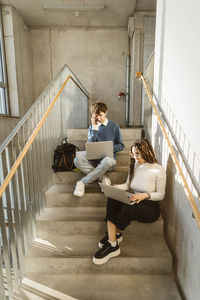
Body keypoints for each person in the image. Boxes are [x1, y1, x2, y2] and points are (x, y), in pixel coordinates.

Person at [93, 138, 166, 265]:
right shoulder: (135, 166)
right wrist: (116, 188)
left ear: (146, 151)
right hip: (134, 200)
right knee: (112, 198)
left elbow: (161, 195)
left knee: (128, 208)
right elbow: (127, 185)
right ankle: (113, 242)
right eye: (133, 154)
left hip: (150, 208)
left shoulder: (158, 169)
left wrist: (145, 195)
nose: (135, 157)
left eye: (138, 153)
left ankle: (114, 235)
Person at [73, 101, 124, 197]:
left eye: (101, 115)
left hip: (109, 160)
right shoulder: (92, 126)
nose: (99, 118)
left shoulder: (114, 126)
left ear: (106, 112)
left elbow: (121, 145)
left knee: (107, 161)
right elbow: (90, 144)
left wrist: (109, 148)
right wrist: (95, 128)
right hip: (94, 159)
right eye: (96, 116)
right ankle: (102, 177)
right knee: (77, 160)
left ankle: (82, 182)